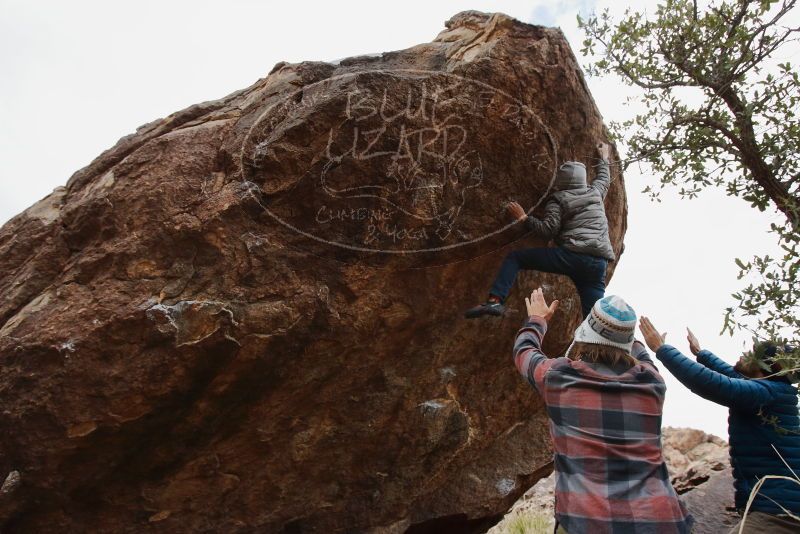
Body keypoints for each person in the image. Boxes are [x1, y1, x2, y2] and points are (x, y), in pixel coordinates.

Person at [514, 289, 693, 533]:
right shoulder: (652, 383)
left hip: (589, 522)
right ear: (627, 344)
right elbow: (643, 356)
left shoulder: (558, 377)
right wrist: (625, 331)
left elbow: (524, 352)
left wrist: (538, 320)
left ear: (585, 335)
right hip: (659, 521)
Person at [638, 317, 800, 533]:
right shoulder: (771, 391)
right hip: (777, 507)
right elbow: (731, 376)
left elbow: (714, 384)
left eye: (751, 354)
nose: (743, 354)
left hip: (777, 513)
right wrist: (701, 353)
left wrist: (662, 349)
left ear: (766, 367)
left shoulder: (765, 394)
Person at [465, 142, 616, 320]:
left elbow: (548, 230)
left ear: (562, 181)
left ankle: (495, 301)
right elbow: (604, 178)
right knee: (594, 317)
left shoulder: (558, 199)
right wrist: (604, 157)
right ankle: (596, 342)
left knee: (516, 258)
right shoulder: (596, 192)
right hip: (598, 264)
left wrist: (524, 218)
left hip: (573, 256)